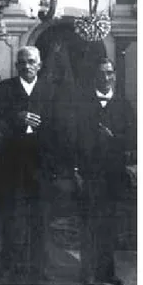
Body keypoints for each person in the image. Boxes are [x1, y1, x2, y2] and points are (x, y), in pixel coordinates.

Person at [0, 46, 58, 281]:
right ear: (16, 65)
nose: (26, 66)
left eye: (31, 62)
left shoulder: (51, 90)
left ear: (39, 64)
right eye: (21, 62)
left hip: (40, 163)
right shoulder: (3, 89)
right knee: (11, 216)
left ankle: (39, 268)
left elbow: (60, 127)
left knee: (40, 217)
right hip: (12, 161)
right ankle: (9, 267)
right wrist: (15, 118)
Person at [75, 58, 135, 285]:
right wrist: (76, 170)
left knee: (109, 226)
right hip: (88, 174)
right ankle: (87, 273)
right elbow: (73, 137)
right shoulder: (82, 104)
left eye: (109, 73)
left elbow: (133, 139)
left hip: (112, 175)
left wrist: (113, 139)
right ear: (94, 77)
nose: (106, 78)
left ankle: (106, 272)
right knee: (88, 224)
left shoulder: (123, 105)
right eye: (101, 74)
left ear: (115, 76)